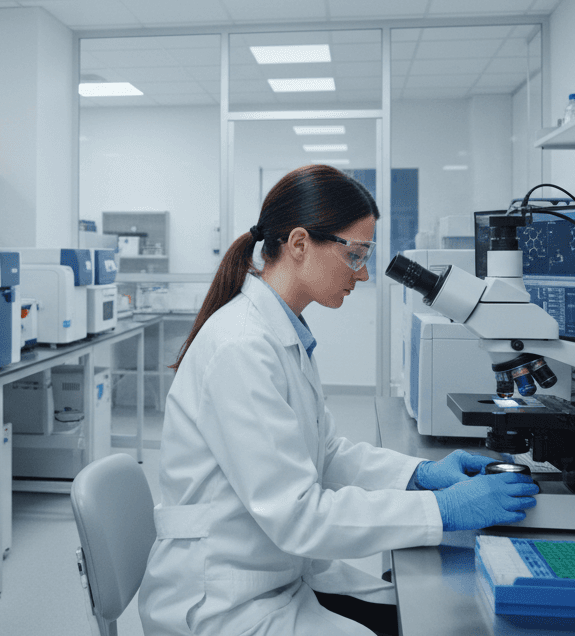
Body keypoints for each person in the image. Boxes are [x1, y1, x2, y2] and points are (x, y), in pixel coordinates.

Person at [138, 165, 539, 636]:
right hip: (222, 598)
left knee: (409, 615)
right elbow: (299, 517)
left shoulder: (279, 333)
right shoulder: (241, 347)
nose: (363, 273)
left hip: (272, 573)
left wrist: (418, 475)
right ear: (300, 243)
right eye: (355, 255)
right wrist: (442, 510)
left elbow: (325, 454)